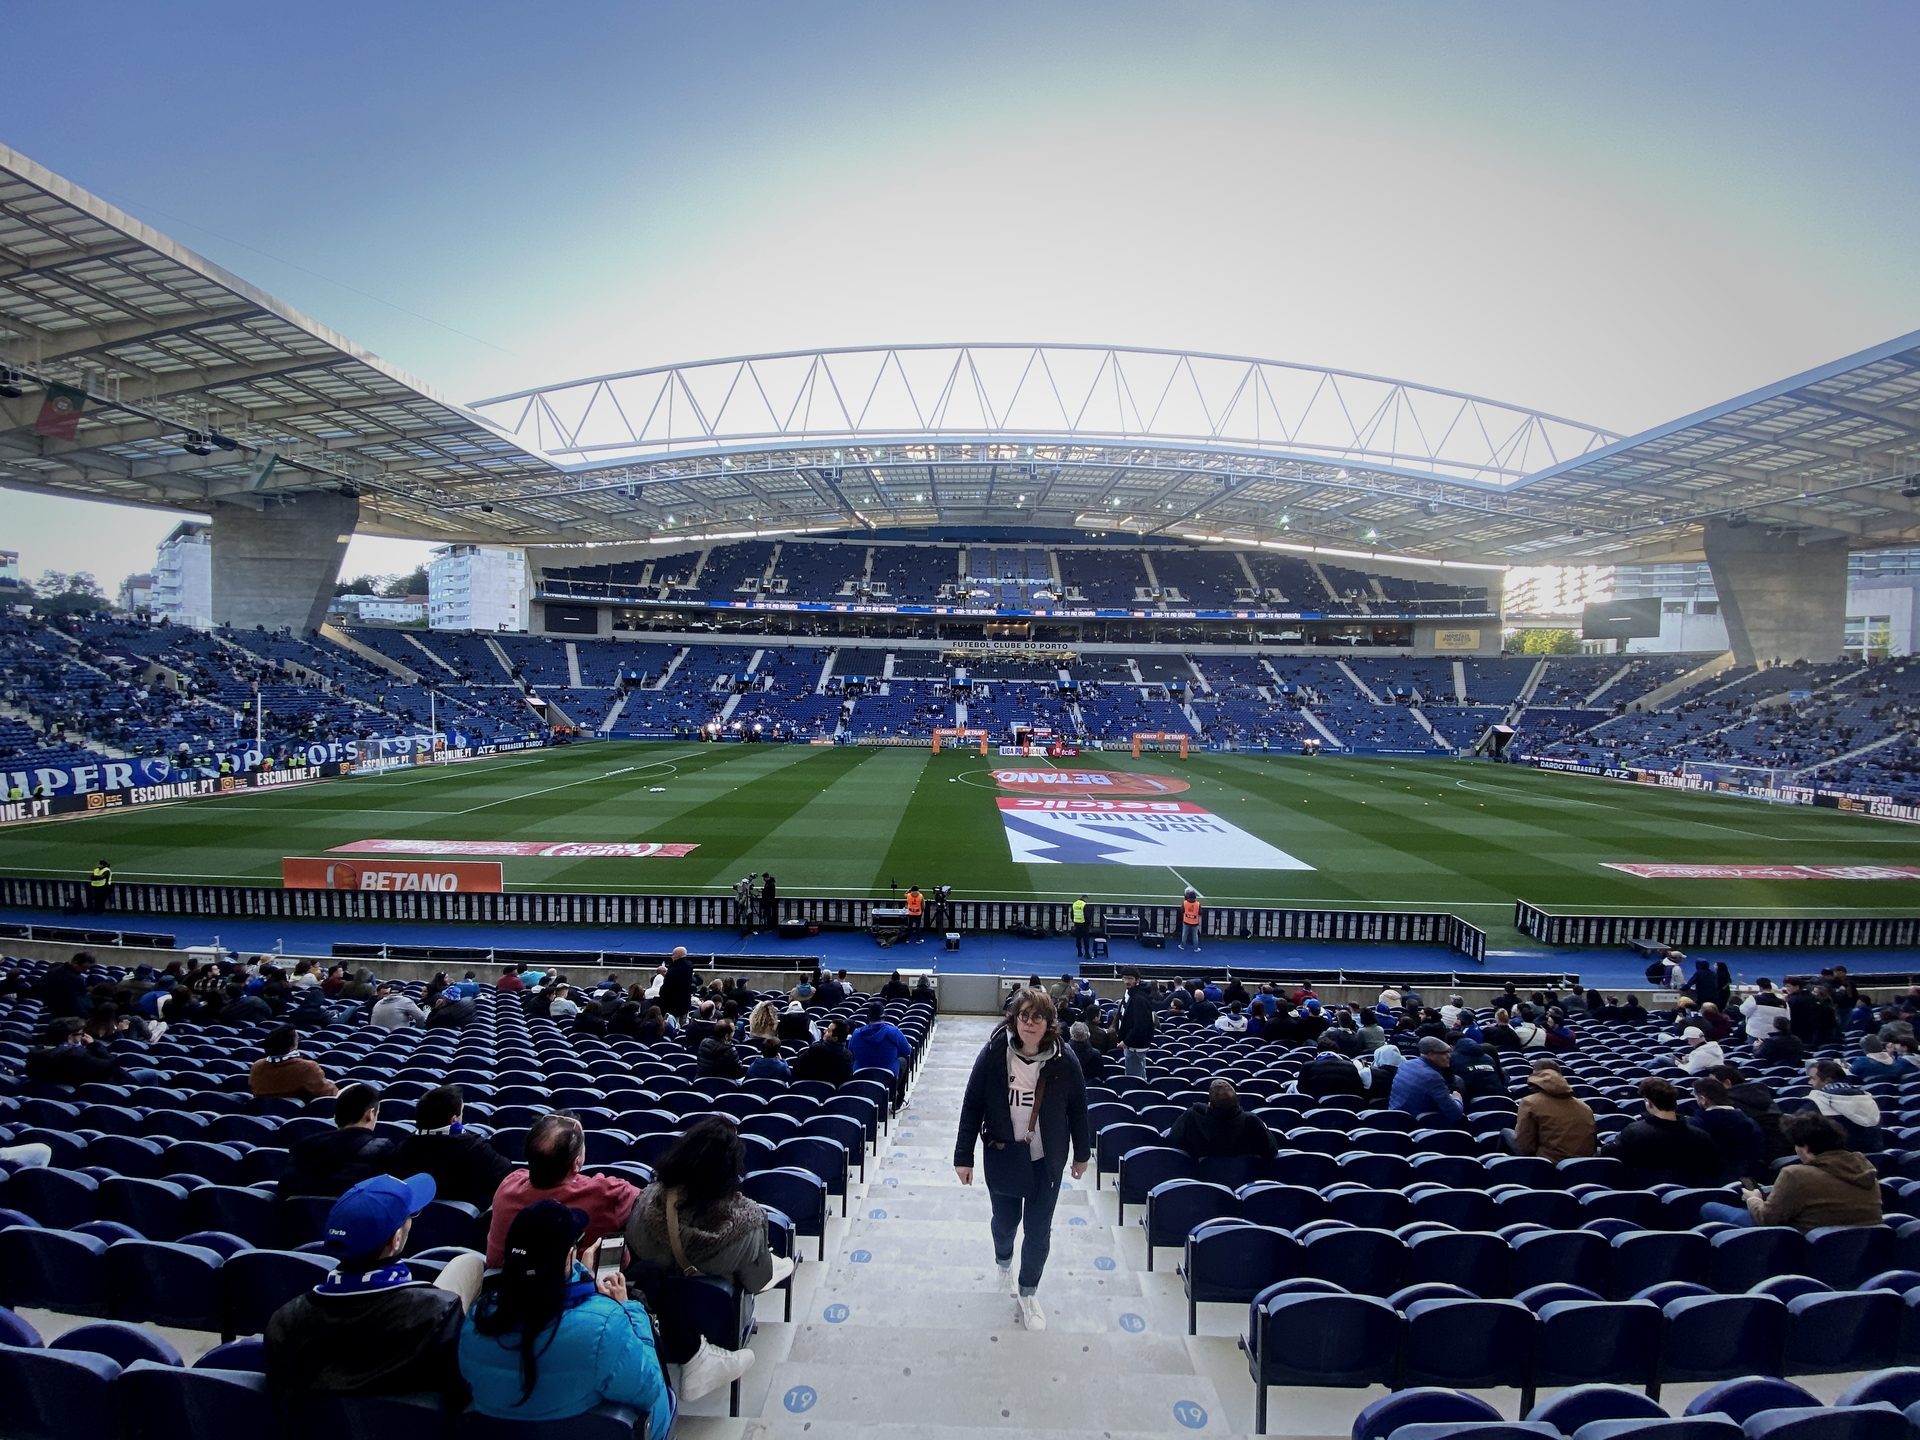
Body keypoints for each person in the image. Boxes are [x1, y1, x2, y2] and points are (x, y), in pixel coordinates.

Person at [460, 1201, 678, 1435]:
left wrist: (583, 1278)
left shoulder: (477, 1318)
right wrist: (629, 1308)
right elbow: (649, 1389)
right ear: (568, 1255)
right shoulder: (607, 1323)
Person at [266, 1173, 481, 1409]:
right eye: (409, 1216)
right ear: (396, 1240)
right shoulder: (439, 1313)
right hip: (412, 1426)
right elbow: (461, 1397)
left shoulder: (283, 1321)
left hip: (321, 1425)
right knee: (469, 1264)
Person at [953, 987, 1090, 1333]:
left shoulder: (1065, 1060)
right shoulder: (993, 1053)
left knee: (1038, 1230)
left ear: (1049, 1023)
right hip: (1004, 1155)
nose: (1030, 1023)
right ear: (1014, 1020)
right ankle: (1003, 1259)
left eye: (1037, 1017)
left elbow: (1078, 1109)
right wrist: (963, 1156)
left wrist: (1082, 1154)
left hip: (1046, 1160)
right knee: (1005, 1222)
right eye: (1024, 1016)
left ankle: (1028, 1292)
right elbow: (972, 1104)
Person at [623, 1118, 790, 1392]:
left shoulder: (643, 1208)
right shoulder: (747, 1226)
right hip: (719, 1319)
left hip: (655, 1326)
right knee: (755, 1270)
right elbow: (756, 1282)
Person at [484, 1112, 642, 1268]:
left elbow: (494, 1260)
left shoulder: (508, 1185)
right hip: (585, 1282)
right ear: (576, 1163)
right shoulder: (609, 1193)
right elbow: (646, 1202)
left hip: (509, 1280)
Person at [1699, 1111, 1882, 1230]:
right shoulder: (1863, 1167)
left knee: (1709, 1208)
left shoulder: (1795, 1174)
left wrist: (1753, 1199)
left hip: (1806, 1246)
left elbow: (1767, 1219)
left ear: (1805, 1147)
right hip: (1856, 1249)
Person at [394, 1084, 516, 1208]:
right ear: (454, 1120)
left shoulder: (404, 1147)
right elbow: (505, 1169)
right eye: (462, 1111)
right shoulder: (475, 1148)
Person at [1601, 1078, 1720, 1182]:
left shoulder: (1633, 1132)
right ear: (1675, 1103)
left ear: (1649, 1103)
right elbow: (1713, 1169)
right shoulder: (1701, 1136)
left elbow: (1612, 1157)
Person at [1165, 1078, 1277, 1159]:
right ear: (1237, 1102)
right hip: (1245, 1178)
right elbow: (1271, 1150)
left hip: (1201, 1179)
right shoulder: (1252, 1122)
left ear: (1210, 1104)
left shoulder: (1191, 1118)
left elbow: (1173, 1142)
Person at [1510, 1058, 1596, 1162]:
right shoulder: (1585, 1107)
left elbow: (1525, 1146)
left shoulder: (1529, 1102)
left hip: (1548, 1164)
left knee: (1506, 1133)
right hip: (1583, 1165)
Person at [1690, 1076, 1768, 1184]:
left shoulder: (1697, 1124)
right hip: (1751, 1178)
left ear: (1703, 1100)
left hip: (1713, 1181)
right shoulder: (1750, 1122)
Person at [1802, 1059, 1884, 1151]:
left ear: (1827, 1081)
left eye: (1813, 1078)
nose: (1809, 1082)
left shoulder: (1815, 1103)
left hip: (1834, 1158)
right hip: (1873, 1158)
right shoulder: (1869, 1100)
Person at [250, 1024, 337, 1100]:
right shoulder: (307, 1067)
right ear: (291, 1046)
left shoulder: (257, 1066)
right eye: (298, 1039)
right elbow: (329, 1094)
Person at [1388, 1036, 1463, 1121]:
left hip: (1393, 1118)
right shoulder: (1433, 1077)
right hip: (1415, 1123)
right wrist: (1457, 1098)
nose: (1449, 1056)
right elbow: (1455, 1113)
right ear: (1430, 1054)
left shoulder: (1406, 1064)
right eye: (1444, 1053)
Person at [848, 1002, 914, 1084]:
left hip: (860, 1074)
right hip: (888, 1076)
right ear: (883, 1017)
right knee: (903, 1060)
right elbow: (907, 1051)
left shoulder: (856, 1033)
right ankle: (897, 1091)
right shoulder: (894, 1031)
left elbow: (851, 1053)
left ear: (868, 1018)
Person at [1297, 1035, 1370, 1099]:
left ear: (1318, 1053)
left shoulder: (1307, 1066)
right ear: (1337, 1052)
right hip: (1346, 1107)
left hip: (1317, 1106)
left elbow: (1301, 1090)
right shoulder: (1351, 1066)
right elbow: (1358, 1089)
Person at [792, 1018, 854, 1085]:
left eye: (828, 1031)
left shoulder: (816, 1049)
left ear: (835, 1038)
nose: (824, 1031)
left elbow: (796, 1067)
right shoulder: (848, 1055)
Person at [659, 946, 695, 1020]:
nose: (672, 956)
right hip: (685, 1002)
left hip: (673, 1004)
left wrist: (661, 993)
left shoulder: (674, 969)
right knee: (683, 1022)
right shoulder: (689, 966)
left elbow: (667, 986)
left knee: (672, 1023)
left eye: (673, 954)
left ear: (678, 956)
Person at [1177, 887, 1202, 953]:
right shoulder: (1198, 904)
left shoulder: (1185, 903)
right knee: (1195, 935)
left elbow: (1181, 910)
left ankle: (1182, 946)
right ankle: (1196, 948)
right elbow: (1200, 913)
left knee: (1184, 934)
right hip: (1195, 922)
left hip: (1186, 921)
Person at [1071, 895, 1090, 959]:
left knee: (1078, 939)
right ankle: (1087, 954)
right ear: (1085, 899)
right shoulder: (1084, 904)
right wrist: (1088, 924)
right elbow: (1087, 916)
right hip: (1084, 924)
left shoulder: (1074, 904)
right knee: (1086, 939)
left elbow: (1072, 915)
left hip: (1077, 924)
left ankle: (1079, 953)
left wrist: (1075, 921)